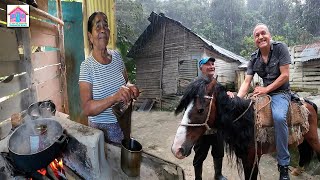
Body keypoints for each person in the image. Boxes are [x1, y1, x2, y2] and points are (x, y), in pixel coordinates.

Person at [227, 23, 291, 180]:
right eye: (257, 35)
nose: (261, 37)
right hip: (262, 93)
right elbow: (246, 82)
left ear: (269, 35)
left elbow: (285, 75)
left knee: (278, 117)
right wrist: (236, 99)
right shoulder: (254, 58)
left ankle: (283, 165)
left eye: (263, 33)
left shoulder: (280, 48)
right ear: (254, 39)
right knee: (245, 114)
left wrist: (266, 89)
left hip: (281, 93)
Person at [79, 12, 139, 144]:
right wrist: (114, 98)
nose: (103, 30)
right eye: (98, 26)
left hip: (123, 123)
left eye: (105, 26)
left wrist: (130, 88)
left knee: (123, 161)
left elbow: (126, 82)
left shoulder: (117, 56)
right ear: (90, 36)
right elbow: (87, 108)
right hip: (101, 133)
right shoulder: (87, 67)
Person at [193, 57, 227, 180]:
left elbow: (223, 105)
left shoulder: (218, 85)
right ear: (201, 68)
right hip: (202, 130)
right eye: (207, 64)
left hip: (217, 128)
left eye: (212, 64)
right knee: (199, 155)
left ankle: (218, 174)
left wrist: (228, 95)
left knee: (219, 153)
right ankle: (198, 177)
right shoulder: (196, 85)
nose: (211, 66)